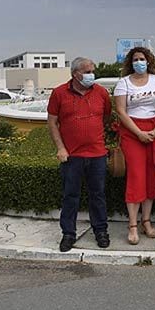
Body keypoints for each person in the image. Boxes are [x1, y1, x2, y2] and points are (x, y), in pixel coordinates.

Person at [47, 57, 112, 252]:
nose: (92, 74)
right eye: (88, 71)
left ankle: (100, 231)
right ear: (76, 74)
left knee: (98, 195)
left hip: (97, 154)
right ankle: (68, 234)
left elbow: (107, 117)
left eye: (93, 70)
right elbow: (52, 122)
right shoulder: (59, 93)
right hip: (71, 156)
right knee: (70, 195)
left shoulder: (101, 92)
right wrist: (60, 148)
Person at [114, 47, 155, 245]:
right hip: (132, 133)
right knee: (136, 176)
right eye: (135, 59)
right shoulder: (123, 83)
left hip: (154, 131)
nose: (139, 62)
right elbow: (120, 111)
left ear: (149, 61)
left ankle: (147, 221)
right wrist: (139, 133)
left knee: (152, 176)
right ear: (130, 62)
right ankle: (133, 225)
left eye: (142, 59)